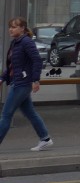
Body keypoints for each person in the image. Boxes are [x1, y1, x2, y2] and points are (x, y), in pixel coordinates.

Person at [0, 17, 53, 151]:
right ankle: (45, 138)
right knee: (30, 112)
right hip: (18, 81)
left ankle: (45, 138)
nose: (11, 29)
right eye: (10, 26)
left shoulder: (26, 42)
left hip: (22, 83)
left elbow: (37, 61)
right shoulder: (15, 43)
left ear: (22, 28)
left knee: (6, 115)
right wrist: (2, 78)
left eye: (14, 27)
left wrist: (36, 80)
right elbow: (13, 65)